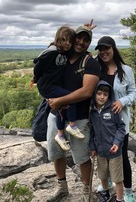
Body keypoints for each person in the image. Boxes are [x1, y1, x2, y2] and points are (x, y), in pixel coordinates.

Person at [46, 20, 101, 201]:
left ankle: (87, 191)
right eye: (79, 37)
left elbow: (86, 92)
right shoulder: (61, 56)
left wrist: (60, 100)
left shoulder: (90, 62)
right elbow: (47, 75)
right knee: (56, 153)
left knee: (82, 157)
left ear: (89, 44)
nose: (81, 42)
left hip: (79, 119)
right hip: (56, 116)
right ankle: (62, 187)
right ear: (73, 38)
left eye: (86, 40)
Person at [95, 36, 136, 202]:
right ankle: (108, 182)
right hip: (101, 122)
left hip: (119, 122)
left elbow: (133, 92)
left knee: (122, 156)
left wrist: (122, 101)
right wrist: (84, 32)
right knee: (103, 155)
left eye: (107, 49)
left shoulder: (126, 70)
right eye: (101, 49)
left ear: (113, 49)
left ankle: (127, 191)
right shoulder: (96, 69)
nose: (104, 52)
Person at [32, 25, 84, 152]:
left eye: (70, 41)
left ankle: (60, 135)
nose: (67, 43)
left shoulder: (65, 52)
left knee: (62, 107)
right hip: (47, 86)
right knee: (70, 97)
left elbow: (80, 50)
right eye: (64, 40)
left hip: (53, 86)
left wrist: (86, 30)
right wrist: (35, 79)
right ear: (58, 39)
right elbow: (38, 64)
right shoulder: (52, 51)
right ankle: (72, 125)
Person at [90, 80, 126, 202]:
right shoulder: (92, 112)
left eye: (105, 95)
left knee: (117, 178)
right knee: (103, 175)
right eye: (99, 93)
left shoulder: (113, 109)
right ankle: (105, 193)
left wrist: (117, 143)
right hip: (100, 151)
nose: (102, 97)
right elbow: (92, 132)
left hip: (114, 151)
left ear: (109, 96)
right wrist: (92, 147)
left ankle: (120, 199)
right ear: (94, 94)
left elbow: (121, 128)